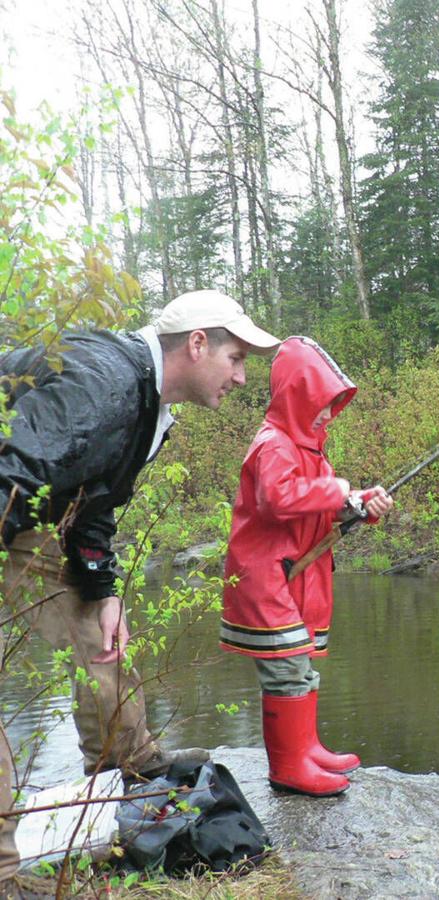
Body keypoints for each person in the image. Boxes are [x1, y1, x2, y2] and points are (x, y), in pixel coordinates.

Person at [0, 290, 279, 897]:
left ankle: (131, 771)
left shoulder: (149, 406)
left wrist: (103, 589)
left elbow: (93, 505)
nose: (241, 375)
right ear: (197, 344)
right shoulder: (102, 384)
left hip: (29, 517)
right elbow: (13, 469)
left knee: (99, 638)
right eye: (235, 357)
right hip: (9, 499)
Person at [219, 336, 392, 798]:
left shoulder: (310, 447)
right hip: (266, 578)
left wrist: (357, 508)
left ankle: (306, 747)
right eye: (321, 403)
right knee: (286, 669)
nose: (328, 413)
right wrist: (338, 491)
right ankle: (287, 766)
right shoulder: (274, 445)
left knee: (301, 665)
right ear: (296, 396)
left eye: (333, 404)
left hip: (293, 575)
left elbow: (312, 511)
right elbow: (276, 501)